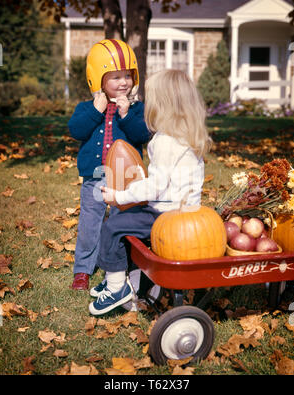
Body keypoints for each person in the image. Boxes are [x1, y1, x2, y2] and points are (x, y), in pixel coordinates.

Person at [89, 69, 212, 315]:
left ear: (161, 105)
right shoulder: (188, 135)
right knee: (128, 216)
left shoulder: (165, 140)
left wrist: (118, 196)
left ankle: (117, 288)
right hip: (185, 214)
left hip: (169, 219)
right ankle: (129, 277)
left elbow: (155, 186)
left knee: (114, 225)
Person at [68, 39, 150, 290]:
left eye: (127, 76)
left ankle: (118, 267)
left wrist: (126, 116)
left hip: (124, 181)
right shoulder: (86, 108)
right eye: (115, 77)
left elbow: (142, 135)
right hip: (94, 178)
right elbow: (76, 130)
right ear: (98, 79)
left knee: (120, 224)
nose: (123, 82)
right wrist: (95, 110)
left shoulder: (136, 109)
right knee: (89, 223)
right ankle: (83, 270)